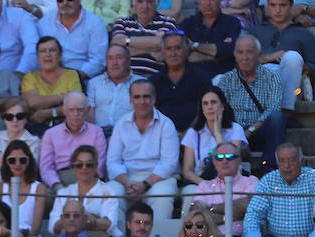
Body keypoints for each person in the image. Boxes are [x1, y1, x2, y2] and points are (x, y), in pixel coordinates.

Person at [244, 143, 315, 237]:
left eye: (292, 160)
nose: (286, 166)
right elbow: (254, 213)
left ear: (302, 161)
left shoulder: (314, 178)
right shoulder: (268, 180)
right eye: (282, 161)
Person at [106, 80, 178, 218]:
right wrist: (128, 183)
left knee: (162, 196)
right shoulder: (121, 124)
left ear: (154, 98)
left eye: (146, 96)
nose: (141, 101)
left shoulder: (166, 124)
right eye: (137, 97)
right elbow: (112, 162)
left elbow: (169, 164)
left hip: (158, 178)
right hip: (127, 178)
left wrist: (144, 184)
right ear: (130, 100)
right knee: (111, 193)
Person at [212, 35, 284, 172]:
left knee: (276, 117)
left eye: (250, 52)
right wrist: (238, 136)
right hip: (233, 133)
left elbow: (273, 108)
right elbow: (221, 111)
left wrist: (248, 133)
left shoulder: (272, 77)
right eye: (240, 52)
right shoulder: (226, 79)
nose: (245, 57)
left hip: (259, 130)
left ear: (259, 55)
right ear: (235, 55)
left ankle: (269, 169)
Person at [251, 0, 315, 117]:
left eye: (282, 5)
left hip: (293, 83)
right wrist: (269, 57)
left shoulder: (304, 33)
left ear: (291, 6)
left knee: (292, 57)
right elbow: (243, 62)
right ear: (267, 6)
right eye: (273, 5)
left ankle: (287, 112)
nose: (278, 10)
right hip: (262, 80)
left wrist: (292, 62)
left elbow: (313, 67)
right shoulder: (256, 31)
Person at [47, 144, 122, 237]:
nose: (84, 168)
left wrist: (73, 220)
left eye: (89, 164)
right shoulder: (64, 193)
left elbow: (110, 223)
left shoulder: (108, 191)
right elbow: (52, 226)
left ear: (96, 166)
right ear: (73, 167)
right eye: (79, 165)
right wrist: (80, 219)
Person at [179, 86, 245, 188]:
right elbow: (187, 171)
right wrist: (207, 185)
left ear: (222, 105)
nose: (209, 107)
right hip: (200, 182)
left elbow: (230, 160)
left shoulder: (236, 129)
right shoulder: (193, 133)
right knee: (190, 192)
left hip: (229, 181)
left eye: (213, 102)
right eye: (205, 103)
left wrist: (218, 133)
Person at [37, 91, 105, 188]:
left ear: (88, 110)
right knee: (44, 197)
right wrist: (57, 185)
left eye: (80, 110)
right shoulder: (50, 134)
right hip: (59, 178)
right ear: (64, 111)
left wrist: (85, 185)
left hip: (88, 177)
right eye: (71, 110)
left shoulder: (97, 132)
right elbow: (46, 168)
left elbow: (99, 166)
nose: (75, 114)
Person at [192, 140, 256, 237]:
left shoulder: (251, 181)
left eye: (230, 157)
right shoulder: (204, 186)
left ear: (239, 160)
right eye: (220, 157)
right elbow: (198, 217)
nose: (224, 161)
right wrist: (226, 217)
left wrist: (211, 208)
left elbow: (246, 207)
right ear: (214, 161)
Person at [20, 35, 81, 133]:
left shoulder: (71, 74)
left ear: (60, 54)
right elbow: (33, 102)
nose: (47, 54)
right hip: (36, 129)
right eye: (43, 51)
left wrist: (49, 112)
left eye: (52, 50)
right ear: (37, 56)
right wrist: (62, 97)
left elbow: (76, 105)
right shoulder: (30, 77)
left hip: (67, 126)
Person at [0, 139, 48, 237]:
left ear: (29, 161)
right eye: (12, 160)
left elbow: (35, 230)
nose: (17, 164)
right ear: (6, 162)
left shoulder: (39, 188)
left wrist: (15, 236)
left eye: (22, 160)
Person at [107, 0, 178, 80]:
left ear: (157, 3)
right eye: (140, 1)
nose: (145, 6)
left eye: (150, 2)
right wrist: (150, 50)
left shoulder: (168, 22)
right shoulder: (122, 22)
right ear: (133, 2)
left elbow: (161, 44)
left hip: (154, 78)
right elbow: (117, 48)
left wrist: (126, 41)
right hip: (126, 77)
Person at [38, 0, 108, 80]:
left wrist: (72, 78)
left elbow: (98, 61)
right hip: (49, 78)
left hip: (82, 79)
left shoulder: (95, 24)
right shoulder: (44, 23)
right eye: (60, 0)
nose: (65, 3)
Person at [86, 43, 136, 134]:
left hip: (128, 134)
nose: (114, 63)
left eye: (119, 57)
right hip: (99, 133)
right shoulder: (94, 83)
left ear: (128, 61)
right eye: (110, 58)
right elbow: (90, 115)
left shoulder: (140, 84)